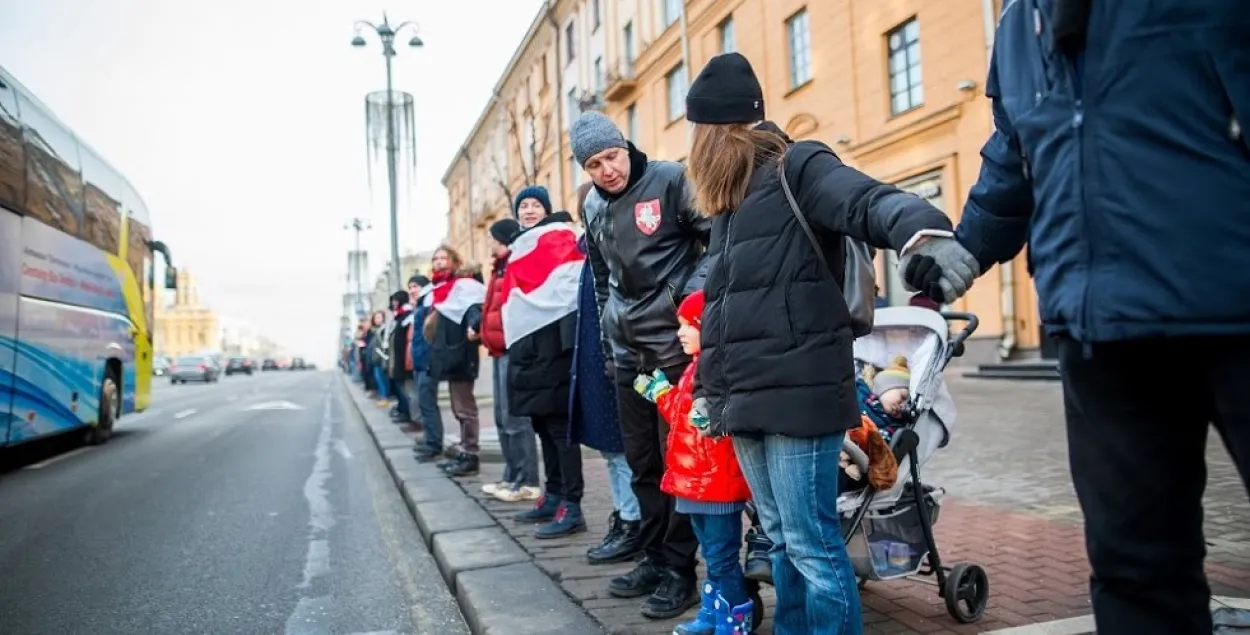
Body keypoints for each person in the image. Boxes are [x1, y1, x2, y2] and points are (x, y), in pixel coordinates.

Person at [897, 3, 1250, 633]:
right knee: (1133, 569)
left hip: (1231, 304)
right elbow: (1014, 159)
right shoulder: (1019, 23)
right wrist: (967, 247)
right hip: (1098, 332)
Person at [684, 52, 957, 634]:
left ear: (715, 131)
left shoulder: (798, 166)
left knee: (811, 543)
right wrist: (711, 392)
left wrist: (921, 231)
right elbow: (721, 312)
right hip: (747, 398)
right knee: (781, 540)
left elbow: (865, 199)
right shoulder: (729, 205)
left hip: (802, 392)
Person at [573, 109, 711, 618]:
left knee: (678, 463)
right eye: (593, 164)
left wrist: (688, 304)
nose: (606, 170)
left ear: (624, 146)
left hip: (672, 349)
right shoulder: (592, 206)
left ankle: (681, 572)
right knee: (643, 465)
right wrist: (611, 345)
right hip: (628, 354)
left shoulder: (670, 180)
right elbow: (601, 278)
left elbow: (717, 244)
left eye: (610, 156)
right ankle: (653, 559)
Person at [634, 290, 758, 634]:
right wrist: (661, 392)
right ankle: (711, 613)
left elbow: (727, 417)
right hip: (692, 481)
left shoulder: (722, 368)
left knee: (722, 557)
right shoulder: (694, 368)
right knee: (711, 555)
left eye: (688, 325)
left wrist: (717, 420)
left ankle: (735, 622)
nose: (680, 332)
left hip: (716, 483)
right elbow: (682, 416)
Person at [499, 188, 587, 538]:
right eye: (524, 206)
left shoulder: (560, 237)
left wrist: (565, 345)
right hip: (528, 348)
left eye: (536, 205)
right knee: (541, 426)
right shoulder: (519, 247)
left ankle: (573, 504)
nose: (530, 210)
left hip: (555, 346)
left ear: (547, 209)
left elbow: (568, 291)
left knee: (560, 429)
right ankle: (553, 494)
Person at [570, 184, 644, 565]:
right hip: (599, 362)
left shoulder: (616, 244)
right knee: (611, 450)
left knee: (623, 451)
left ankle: (633, 522)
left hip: (619, 359)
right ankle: (624, 516)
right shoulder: (587, 253)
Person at [476, 217, 542, 503]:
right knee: (503, 418)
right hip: (497, 349)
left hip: (512, 348)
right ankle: (511, 475)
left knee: (516, 419)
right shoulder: (498, 268)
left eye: (492, 238)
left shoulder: (513, 265)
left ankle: (527, 481)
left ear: (501, 238)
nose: (488, 242)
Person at [421, 246, 485, 477]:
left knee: (465, 409)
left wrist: (473, 325)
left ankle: (470, 455)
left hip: (461, 354)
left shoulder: (464, 285)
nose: (438, 262)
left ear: (454, 260)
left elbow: (474, 310)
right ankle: (465, 451)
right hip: (449, 355)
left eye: (443, 258)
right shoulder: (440, 289)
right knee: (459, 409)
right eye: (435, 258)